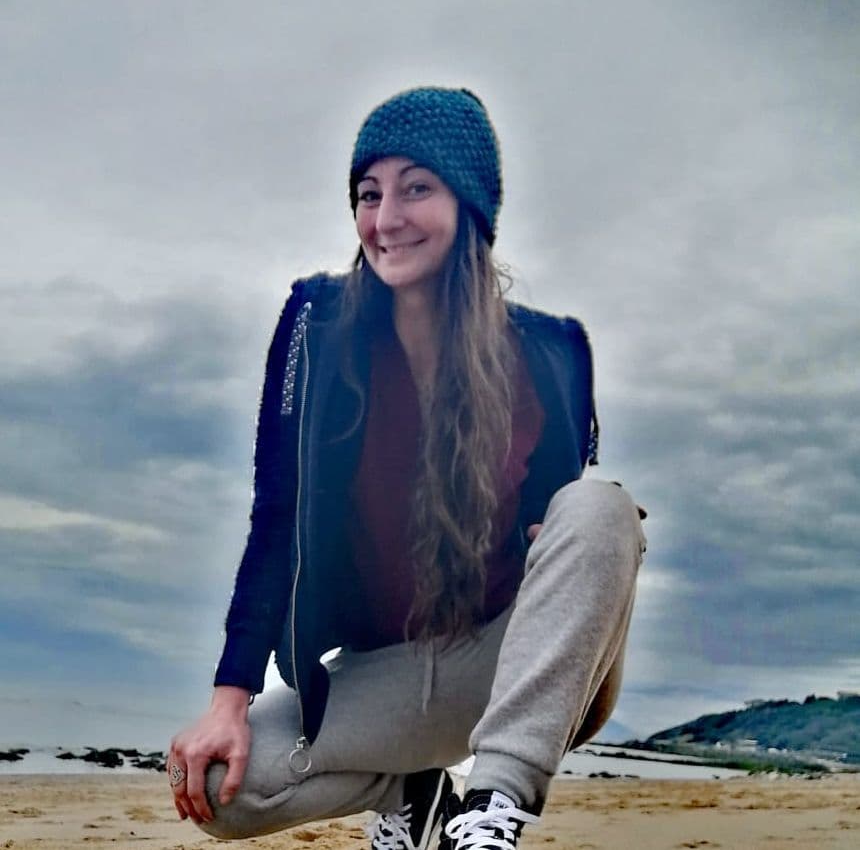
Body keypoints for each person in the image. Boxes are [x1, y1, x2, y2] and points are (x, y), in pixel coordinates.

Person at [168, 86, 646, 850]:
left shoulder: (553, 351)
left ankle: (492, 810)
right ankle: (416, 791)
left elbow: (562, 532)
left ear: (470, 202)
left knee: (602, 507)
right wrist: (230, 697)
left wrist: (573, 547)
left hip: (511, 665)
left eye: (416, 187)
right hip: (383, 673)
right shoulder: (318, 324)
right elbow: (277, 516)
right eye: (369, 193)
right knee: (222, 786)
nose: (386, 218)